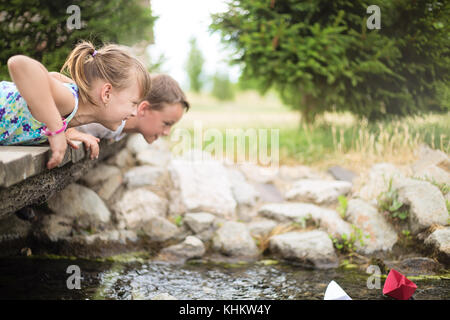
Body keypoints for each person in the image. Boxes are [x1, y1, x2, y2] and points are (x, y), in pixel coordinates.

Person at [0, 40, 151, 169]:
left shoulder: (71, 105)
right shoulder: (70, 101)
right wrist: (56, 129)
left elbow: (53, 77)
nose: (134, 113)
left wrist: (64, 131)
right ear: (106, 94)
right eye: (133, 103)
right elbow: (19, 64)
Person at [64, 74, 189, 158]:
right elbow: (68, 96)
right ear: (144, 109)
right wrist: (69, 130)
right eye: (167, 123)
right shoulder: (109, 117)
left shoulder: (122, 126)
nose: (167, 132)